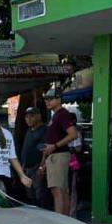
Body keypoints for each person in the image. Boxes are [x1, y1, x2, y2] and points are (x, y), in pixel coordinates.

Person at [41, 88, 79, 216]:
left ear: (58, 99)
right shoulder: (57, 114)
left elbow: (73, 134)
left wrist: (55, 146)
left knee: (58, 190)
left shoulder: (62, 114)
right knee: (60, 190)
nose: (47, 101)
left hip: (58, 155)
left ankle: (60, 221)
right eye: (46, 99)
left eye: (50, 99)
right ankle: (64, 220)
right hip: (55, 155)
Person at [20, 107, 51, 208]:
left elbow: (45, 151)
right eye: (26, 117)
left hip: (37, 168)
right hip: (27, 169)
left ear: (38, 116)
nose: (28, 119)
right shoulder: (28, 131)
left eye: (31, 116)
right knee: (30, 197)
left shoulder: (44, 130)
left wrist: (42, 167)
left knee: (40, 196)